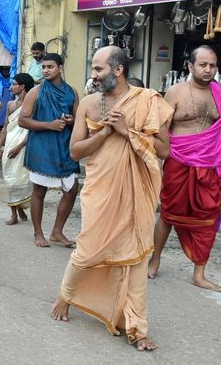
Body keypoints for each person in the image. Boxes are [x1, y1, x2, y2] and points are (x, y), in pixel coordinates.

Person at [50, 46, 170, 352]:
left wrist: (126, 130)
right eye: (93, 68)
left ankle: (137, 327)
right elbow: (75, 151)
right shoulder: (89, 104)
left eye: (98, 69)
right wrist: (105, 133)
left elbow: (164, 150)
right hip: (100, 188)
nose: (93, 75)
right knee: (89, 248)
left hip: (136, 191)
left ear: (118, 69)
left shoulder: (147, 100)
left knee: (137, 258)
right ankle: (66, 294)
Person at [148, 46, 221, 292]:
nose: (208, 69)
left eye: (212, 65)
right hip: (179, 161)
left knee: (209, 218)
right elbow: (161, 129)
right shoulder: (175, 92)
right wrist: (157, 163)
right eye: (203, 65)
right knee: (168, 213)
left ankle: (199, 274)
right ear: (190, 66)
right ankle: (154, 260)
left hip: (209, 164)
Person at [19, 53, 80, 248]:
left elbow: (79, 119)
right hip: (42, 146)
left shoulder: (72, 92)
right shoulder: (35, 92)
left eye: (50, 67)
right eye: (44, 67)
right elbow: (23, 120)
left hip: (65, 146)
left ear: (60, 68)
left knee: (72, 189)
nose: (45, 70)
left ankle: (57, 232)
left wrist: (71, 121)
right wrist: (49, 125)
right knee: (39, 190)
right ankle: (38, 233)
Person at [0, 73, 35, 225]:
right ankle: (14, 212)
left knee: (23, 178)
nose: (11, 87)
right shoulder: (10, 104)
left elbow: (33, 129)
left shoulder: (32, 105)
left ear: (22, 87)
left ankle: (19, 208)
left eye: (14, 84)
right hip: (10, 145)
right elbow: (5, 126)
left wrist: (20, 146)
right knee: (10, 179)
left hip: (24, 146)